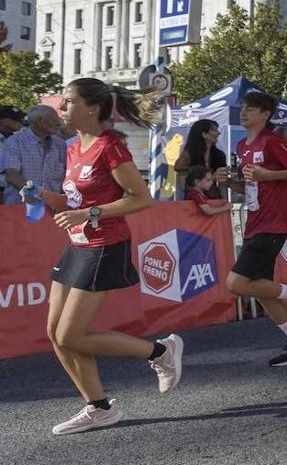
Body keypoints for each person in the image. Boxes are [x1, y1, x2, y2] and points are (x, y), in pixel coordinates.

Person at [23, 79, 183, 435]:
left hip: (104, 245)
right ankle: (99, 407)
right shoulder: (73, 147)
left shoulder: (111, 147)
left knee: (71, 334)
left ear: (92, 108)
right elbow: (74, 202)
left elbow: (141, 198)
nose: (61, 108)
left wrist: (90, 215)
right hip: (78, 244)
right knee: (54, 332)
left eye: (68, 102)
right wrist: (43, 196)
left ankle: (160, 352)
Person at [225, 91, 287, 367]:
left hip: (274, 221)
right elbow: (252, 184)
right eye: (243, 108)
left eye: (251, 109)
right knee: (258, 288)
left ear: (265, 114)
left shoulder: (273, 142)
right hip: (255, 220)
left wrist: (270, 175)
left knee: (236, 283)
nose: (244, 113)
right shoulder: (242, 145)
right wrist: (233, 184)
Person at [2, 104, 67, 204]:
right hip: (21, 208)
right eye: (54, 119)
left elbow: (65, 177)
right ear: (41, 122)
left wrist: (59, 201)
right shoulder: (15, 142)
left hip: (53, 210)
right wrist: (39, 195)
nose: (58, 123)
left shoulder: (60, 145)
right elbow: (12, 176)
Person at [173, 118, 228, 199]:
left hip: (213, 199)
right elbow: (183, 186)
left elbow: (222, 184)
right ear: (204, 134)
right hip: (193, 202)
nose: (218, 133)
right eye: (214, 130)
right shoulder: (187, 156)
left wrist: (225, 202)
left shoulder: (219, 155)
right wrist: (212, 178)